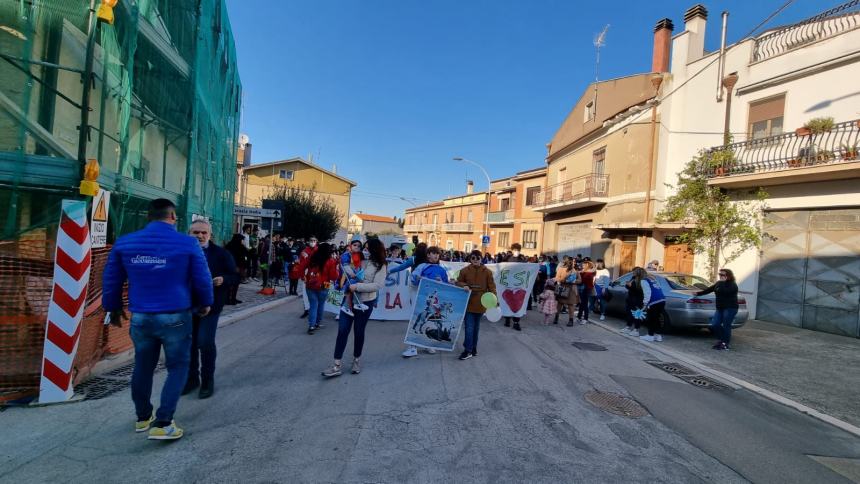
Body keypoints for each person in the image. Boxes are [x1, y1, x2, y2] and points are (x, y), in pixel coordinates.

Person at [102, 199, 212, 441]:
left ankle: (143, 418)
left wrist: (113, 308)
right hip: (176, 315)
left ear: (148, 217)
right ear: (173, 217)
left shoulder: (125, 243)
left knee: (143, 366)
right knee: (178, 366)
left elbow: (110, 279)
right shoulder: (188, 243)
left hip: (141, 316)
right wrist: (205, 304)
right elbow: (202, 279)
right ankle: (163, 422)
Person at [183, 220, 236, 399]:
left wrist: (223, 279)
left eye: (204, 233)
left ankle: (207, 380)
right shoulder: (181, 253)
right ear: (189, 233)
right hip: (187, 305)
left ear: (209, 235)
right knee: (189, 344)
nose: (200, 236)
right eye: (196, 232)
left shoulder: (221, 254)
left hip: (211, 305)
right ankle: (191, 379)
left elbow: (235, 275)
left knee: (205, 342)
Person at [322, 238, 388, 377]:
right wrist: (344, 265)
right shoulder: (357, 258)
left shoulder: (381, 265)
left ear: (375, 249)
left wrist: (357, 286)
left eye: (368, 248)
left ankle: (356, 360)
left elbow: (378, 285)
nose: (364, 250)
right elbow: (347, 270)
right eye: (364, 247)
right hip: (348, 300)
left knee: (358, 332)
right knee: (342, 331)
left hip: (365, 302)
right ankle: (336, 365)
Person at [389, 243, 437, 358]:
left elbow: (401, 267)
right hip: (421, 289)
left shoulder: (417, 260)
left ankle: (418, 345)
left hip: (420, 289)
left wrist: (389, 271)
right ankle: (419, 345)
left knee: (419, 316)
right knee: (421, 316)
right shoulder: (424, 262)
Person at [455, 250, 496, 360]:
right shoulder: (464, 271)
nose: (476, 260)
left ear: (481, 258)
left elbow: (492, 287)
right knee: (469, 327)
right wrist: (464, 285)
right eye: (473, 258)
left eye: (478, 258)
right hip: (468, 302)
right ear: (470, 259)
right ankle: (468, 350)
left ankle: (473, 349)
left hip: (481, 302)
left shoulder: (487, 272)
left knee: (475, 328)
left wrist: (494, 301)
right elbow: (458, 282)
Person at [298, 242, 339, 334]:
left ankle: (311, 326)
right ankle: (317, 323)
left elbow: (302, 267)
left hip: (310, 283)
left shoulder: (312, 257)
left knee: (313, 305)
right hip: (325, 284)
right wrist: (336, 266)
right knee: (321, 304)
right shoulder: (331, 261)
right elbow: (334, 277)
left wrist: (302, 277)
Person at [696, 268, 739, 350]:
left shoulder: (732, 285)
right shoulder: (719, 283)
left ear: (728, 276)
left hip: (730, 308)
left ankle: (725, 343)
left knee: (726, 325)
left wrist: (722, 283)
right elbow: (710, 289)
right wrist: (698, 293)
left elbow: (725, 292)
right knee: (715, 324)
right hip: (720, 308)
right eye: (720, 274)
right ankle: (721, 340)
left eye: (723, 275)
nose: (720, 276)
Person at [339, 237, 369, 316]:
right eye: (355, 245)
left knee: (356, 287)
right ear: (350, 245)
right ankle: (346, 307)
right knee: (351, 290)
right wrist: (353, 274)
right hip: (348, 278)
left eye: (359, 246)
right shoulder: (346, 255)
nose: (356, 247)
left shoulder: (360, 254)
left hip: (356, 276)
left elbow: (363, 264)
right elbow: (346, 267)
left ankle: (350, 306)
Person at [503, 243, 528, 331]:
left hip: (518, 284)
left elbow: (526, 268)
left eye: (518, 250)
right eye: (515, 249)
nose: (516, 251)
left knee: (517, 302)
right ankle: (507, 319)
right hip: (509, 282)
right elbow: (503, 266)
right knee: (508, 301)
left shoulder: (522, 259)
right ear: (512, 250)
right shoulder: (508, 258)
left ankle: (516, 322)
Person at [638, 267, 666, 342]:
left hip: (654, 301)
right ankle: (658, 335)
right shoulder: (652, 279)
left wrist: (645, 304)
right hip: (662, 300)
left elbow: (647, 293)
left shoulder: (643, 281)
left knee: (651, 319)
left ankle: (650, 335)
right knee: (657, 318)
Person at [294, 236, 318, 319]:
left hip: (315, 273)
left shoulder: (318, 251)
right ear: (308, 241)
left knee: (315, 293)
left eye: (314, 240)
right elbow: (301, 264)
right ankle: (306, 310)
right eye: (311, 240)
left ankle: (314, 310)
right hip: (306, 273)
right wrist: (302, 275)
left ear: (316, 241)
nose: (312, 242)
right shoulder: (304, 251)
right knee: (305, 293)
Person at [554, 257, 579, 326]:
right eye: (573, 262)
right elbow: (557, 278)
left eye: (574, 262)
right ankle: (556, 317)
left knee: (571, 305)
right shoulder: (561, 269)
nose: (574, 263)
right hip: (563, 288)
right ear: (569, 262)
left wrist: (574, 281)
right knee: (559, 304)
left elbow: (580, 280)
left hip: (571, 289)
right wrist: (564, 280)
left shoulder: (575, 270)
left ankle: (571, 320)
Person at [224, 233, 247, 305]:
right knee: (234, 284)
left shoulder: (228, 245)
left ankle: (230, 298)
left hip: (231, 267)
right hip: (237, 267)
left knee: (231, 284)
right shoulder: (239, 247)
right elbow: (243, 256)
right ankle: (231, 299)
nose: (242, 241)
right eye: (242, 240)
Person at [622, 267, 645, 337]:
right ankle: (628, 327)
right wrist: (629, 286)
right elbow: (627, 285)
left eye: (634, 271)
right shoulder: (633, 278)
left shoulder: (642, 281)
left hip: (638, 300)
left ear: (637, 273)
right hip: (630, 299)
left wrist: (630, 286)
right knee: (629, 314)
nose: (633, 273)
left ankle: (636, 329)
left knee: (637, 315)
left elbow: (639, 291)